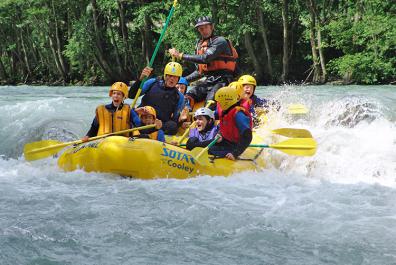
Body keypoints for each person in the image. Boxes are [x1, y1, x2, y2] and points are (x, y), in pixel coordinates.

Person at [168, 16, 238, 109]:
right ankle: (186, 115)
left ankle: (208, 117)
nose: (204, 30)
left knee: (210, 101)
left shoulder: (220, 41)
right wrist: (181, 80)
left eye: (206, 27)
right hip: (208, 80)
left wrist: (181, 55)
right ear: (198, 30)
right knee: (189, 95)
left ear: (212, 27)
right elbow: (200, 72)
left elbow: (205, 58)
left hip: (223, 80)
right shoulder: (199, 45)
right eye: (201, 29)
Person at [128, 62, 185, 135]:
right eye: (170, 76)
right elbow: (131, 95)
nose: (172, 79)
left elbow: (175, 119)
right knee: (129, 111)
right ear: (165, 75)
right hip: (142, 121)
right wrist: (140, 79)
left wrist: (182, 121)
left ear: (178, 78)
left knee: (172, 126)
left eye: (175, 77)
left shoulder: (179, 96)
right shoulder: (152, 83)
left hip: (159, 125)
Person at [209, 86, 253, 160]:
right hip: (225, 141)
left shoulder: (238, 114)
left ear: (226, 101)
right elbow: (224, 125)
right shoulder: (225, 110)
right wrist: (220, 133)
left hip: (234, 147)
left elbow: (247, 135)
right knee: (195, 144)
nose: (218, 103)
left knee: (210, 150)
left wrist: (235, 153)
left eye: (219, 101)